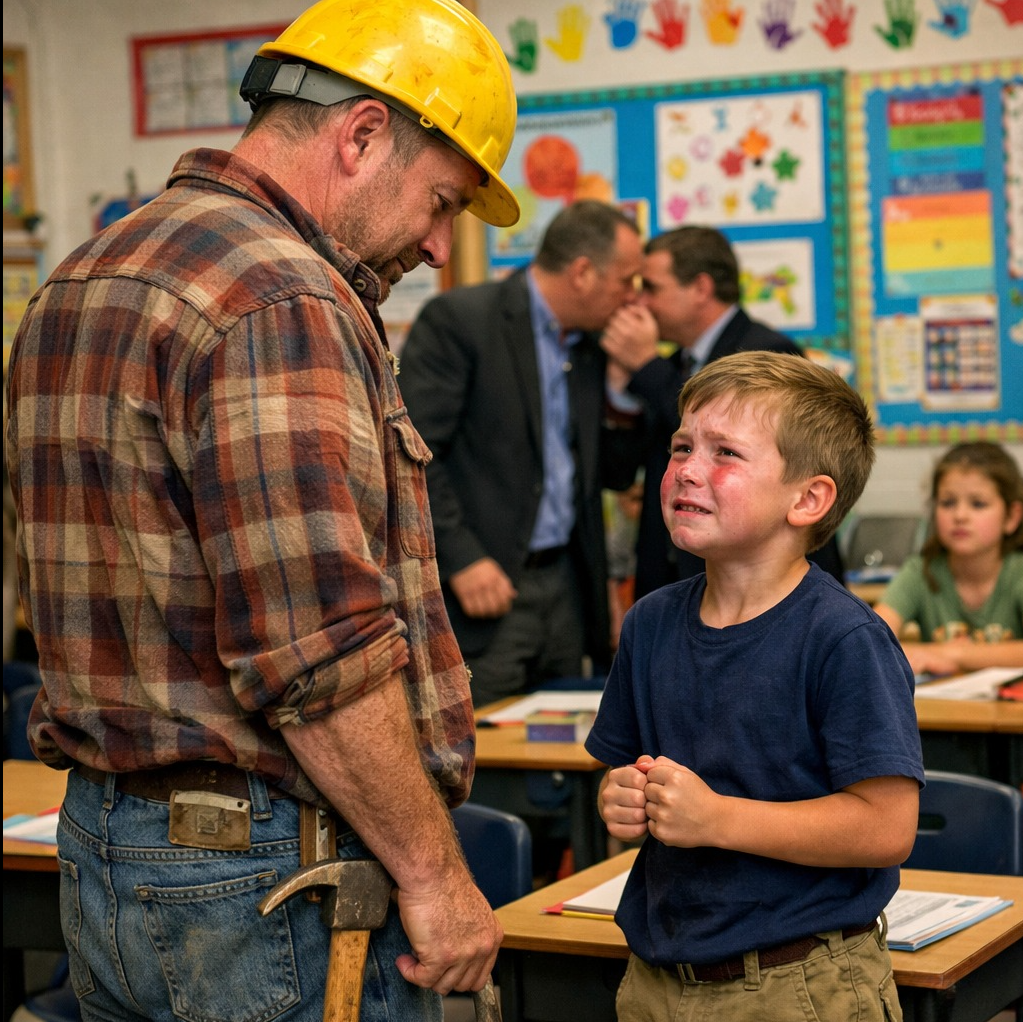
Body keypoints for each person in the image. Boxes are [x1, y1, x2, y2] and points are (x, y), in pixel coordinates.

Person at [5, 2, 519, 1020]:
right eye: (440, 200)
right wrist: (435, 874)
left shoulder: (78, 277)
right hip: (258, 883)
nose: (433, 239)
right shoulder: (283, 297)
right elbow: (315, 654)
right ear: (363, 132)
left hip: (104, 849)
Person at [585, 351, 924, 1022]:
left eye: (725, 454)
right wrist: (618, 797)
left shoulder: (842, 638)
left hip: (799, 983)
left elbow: (886, 827)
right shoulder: (650, 621)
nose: (685, 468)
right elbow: (622, 770)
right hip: (658, 979)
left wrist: (716, 820)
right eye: (682, 446)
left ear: (807, 499)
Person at [399, 200, 647, 708]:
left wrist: (624, 390)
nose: (631, 299)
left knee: (568, 751)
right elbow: (413, 454)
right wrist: (462, 558)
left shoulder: (593, 347)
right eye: (626, 281)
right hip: (484, 593)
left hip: (566, 593)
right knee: (483, 754)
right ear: (582, 272)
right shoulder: (462, 321)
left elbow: (614, 474)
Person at [599, 224, 845, 599]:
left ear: (700, 288)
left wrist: (647, 366)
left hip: (758, 596)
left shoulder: (769, 351)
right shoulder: (670, 365)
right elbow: (617, 471)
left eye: (651, 288)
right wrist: (622, 384)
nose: (638, 303)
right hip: (671, 585)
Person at [874, 441, 1023, 675]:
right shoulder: (921, 571)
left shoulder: (1018, 572)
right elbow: (871, 639)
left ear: (1012, 517)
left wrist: (951, 654)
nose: (960, 515)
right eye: (948, 503)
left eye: (978, 504)